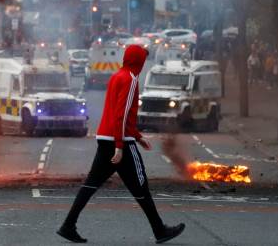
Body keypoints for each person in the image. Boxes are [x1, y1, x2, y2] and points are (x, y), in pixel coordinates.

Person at [57, 44, 185, 244]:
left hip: (105, 138)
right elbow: (122, 114)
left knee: (90, 185)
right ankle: (160, 230)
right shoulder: (131, 79)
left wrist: (138, 136)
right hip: (121, 142)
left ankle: (67, 225)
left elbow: (117, 113)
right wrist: (120, 145)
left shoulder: (117, 76)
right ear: (139, 62)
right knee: (141, 186)